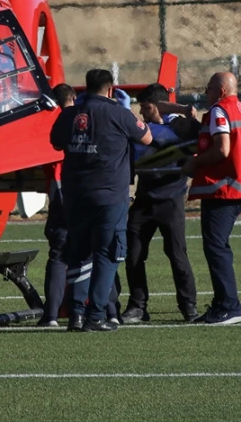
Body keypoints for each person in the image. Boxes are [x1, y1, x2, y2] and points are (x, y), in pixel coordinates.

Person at [50, 69, 152, 332]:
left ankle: (76, 314)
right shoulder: (119, 114)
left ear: (85, 88)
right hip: (109, 196)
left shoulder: (71, 114)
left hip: (75, 196)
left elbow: (56, 142)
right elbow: (147, 138)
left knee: (78, 254)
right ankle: (96, 315)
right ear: (110, 89)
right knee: (107, 255)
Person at [181, 71, 241, 325]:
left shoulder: (220, 110)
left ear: (220, 91)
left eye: (207, 89)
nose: (205, 93)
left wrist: (194, 163)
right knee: (218, 245)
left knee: (216, 246)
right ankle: (222, 304)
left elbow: (223, 148)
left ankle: (230, 306)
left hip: (225, 187)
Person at [120, 84, 199, 323]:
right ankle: (137, 306)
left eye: (145, 107)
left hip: (171, 200)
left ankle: (188, 306)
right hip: (144, 200)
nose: (142, 113)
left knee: (177, 254)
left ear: (158, 106)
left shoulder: (181, 128)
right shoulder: (147, 128)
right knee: (133, 254)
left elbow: (162, 135)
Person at [38, 83, 76, 328]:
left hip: (58, 193)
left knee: (58, 256)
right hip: (81, 193)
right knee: (93, 255)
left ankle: (51, 313)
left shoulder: (49, 124)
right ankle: (99, 310)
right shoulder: (85, 120)